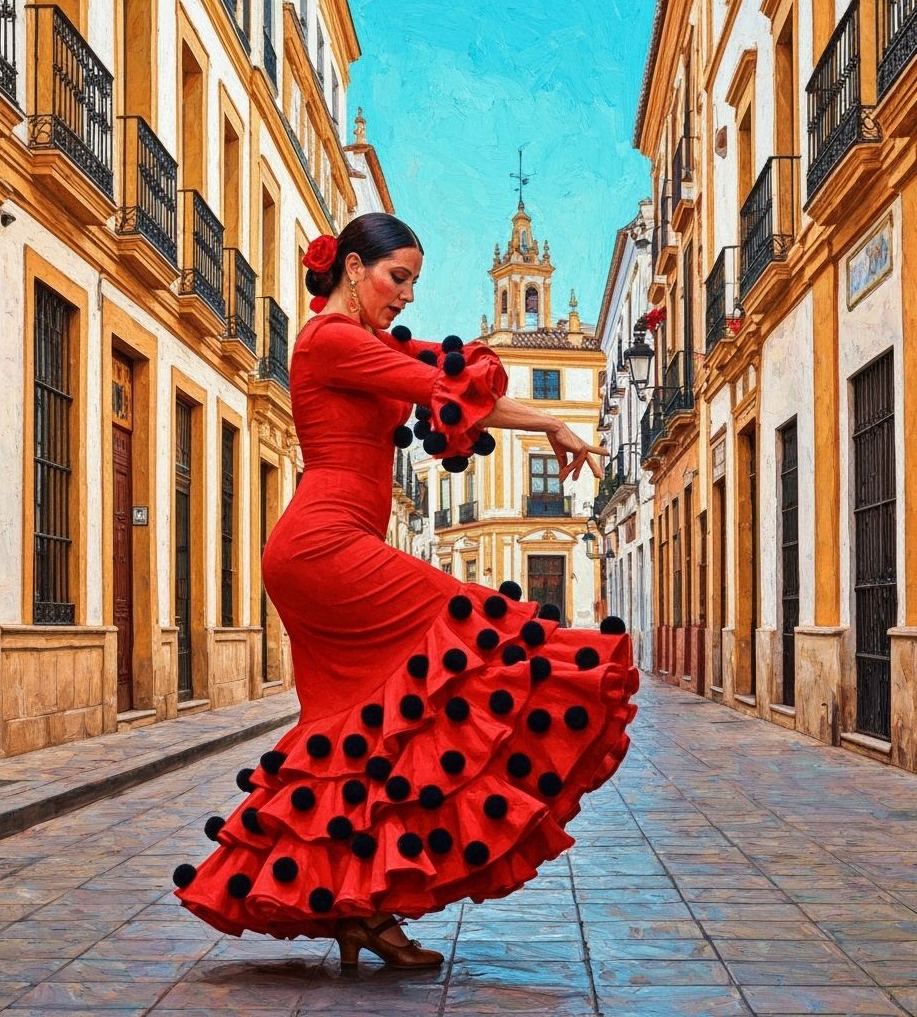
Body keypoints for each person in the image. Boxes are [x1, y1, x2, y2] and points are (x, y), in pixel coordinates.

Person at [172, 213, 638, 968]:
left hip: (328, 547)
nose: (407, 295)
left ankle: (362, 909)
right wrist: (549, 420)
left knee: (354, 736)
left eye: (414, 281)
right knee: (482, 628)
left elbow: (447, 387)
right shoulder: (330, 340)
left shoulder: (367, 342)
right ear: (353, 268)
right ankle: (360, 902)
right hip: (324, 547)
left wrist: (551, 422)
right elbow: (440, 386)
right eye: (398, 278)